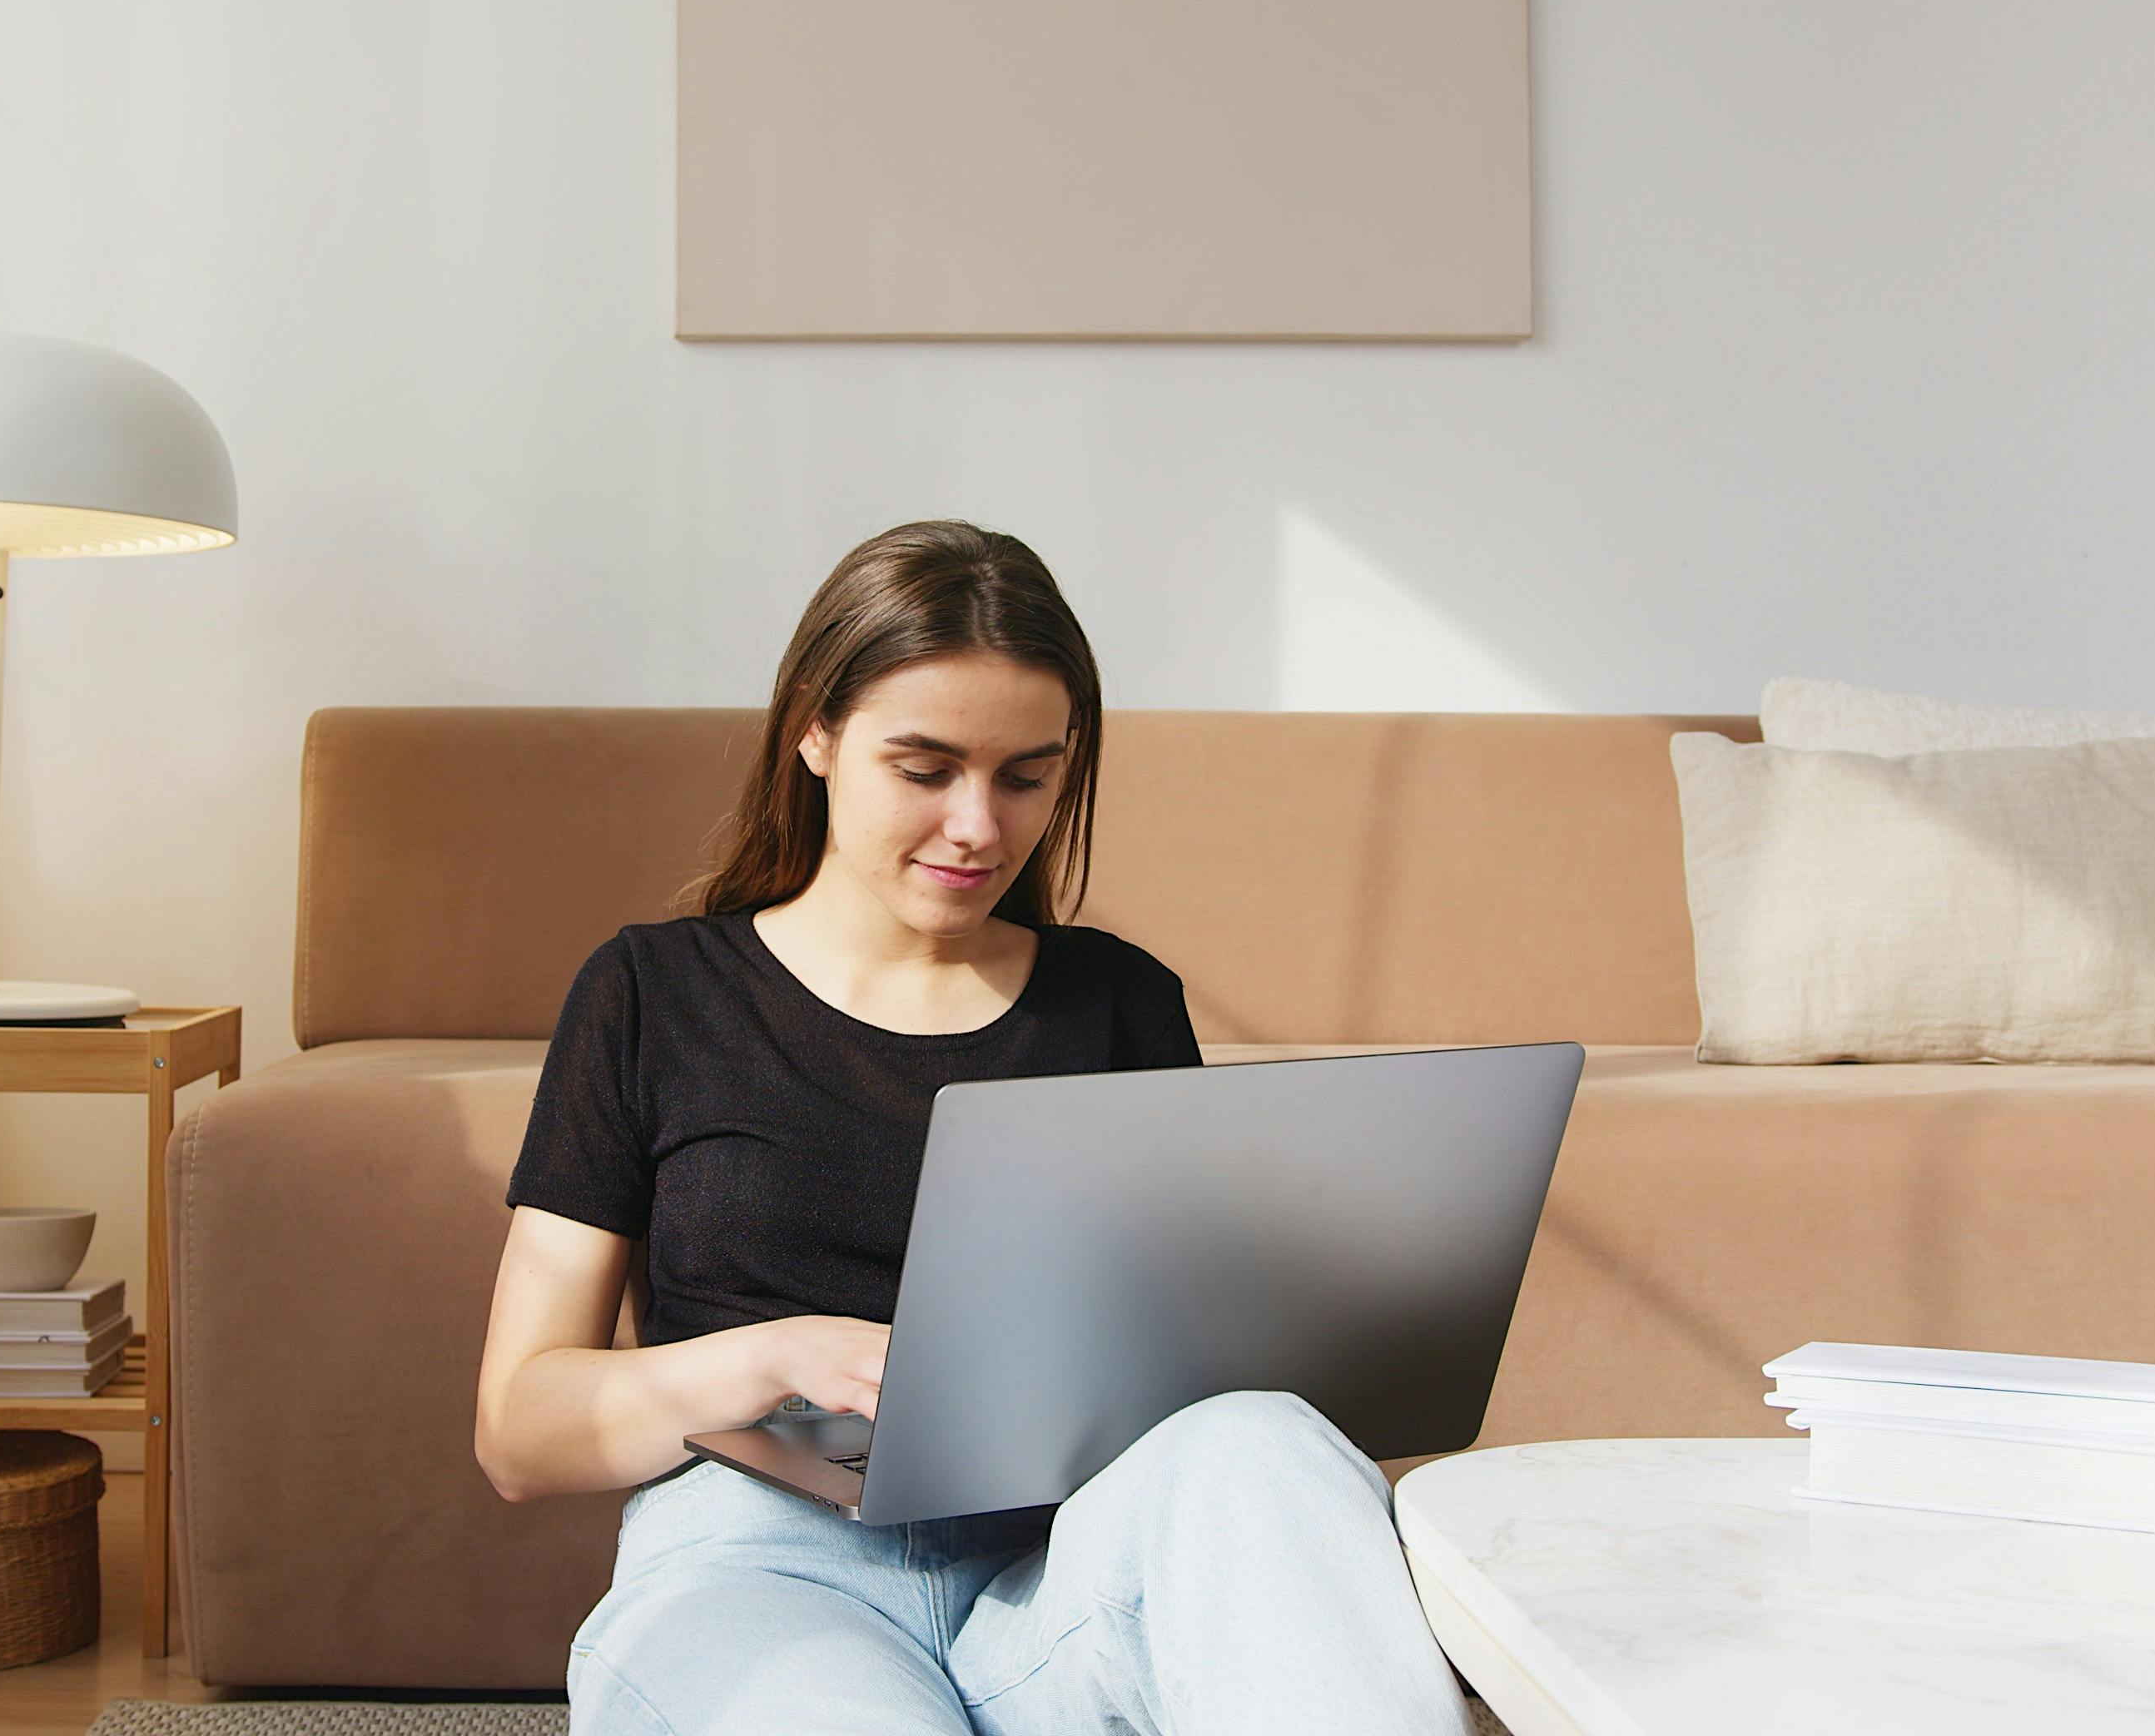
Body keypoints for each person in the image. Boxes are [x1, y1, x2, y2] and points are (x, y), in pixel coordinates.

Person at [473, 520, 1476, 1734]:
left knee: (1258, 1440)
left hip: (1054, 1582)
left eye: (1025, 776)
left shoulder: (1119, 1003)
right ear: (816, 729)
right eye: (925, 767)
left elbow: (1189, 1386)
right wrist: (778, 1360)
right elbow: (519, 1431)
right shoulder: (653, 994)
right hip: (760, 1562)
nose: (978, 829)